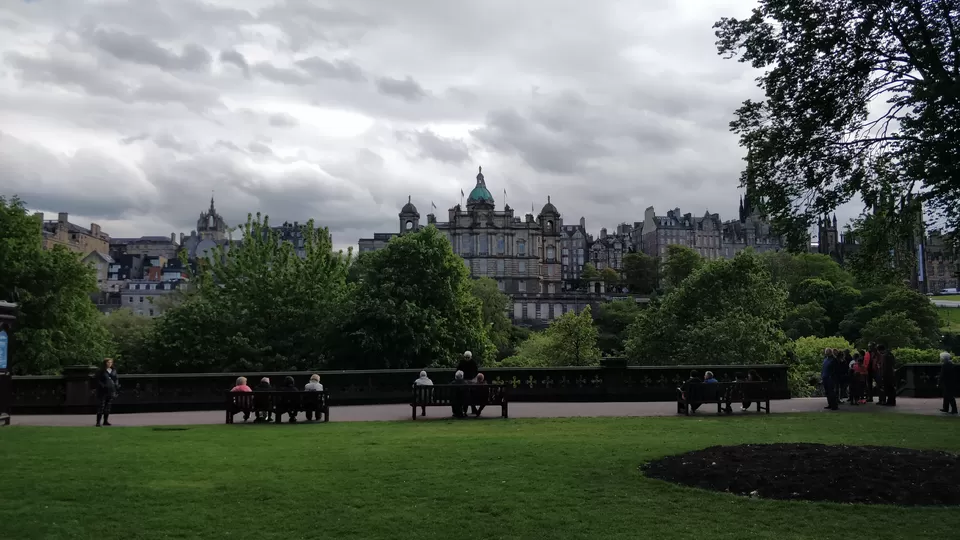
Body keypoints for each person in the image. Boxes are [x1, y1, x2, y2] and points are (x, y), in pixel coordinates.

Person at [95, 358, 119, 427]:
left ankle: (105, 421)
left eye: (111, 362)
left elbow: (116, 378)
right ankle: (98, 422)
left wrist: (116, 385)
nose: (109, 364)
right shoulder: (101, 371)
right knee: (101, 406)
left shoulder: (113, 370)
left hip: (111, 390)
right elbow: (97, 380)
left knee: (108, 406)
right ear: (105, 363)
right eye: (108, 362)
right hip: (102, 391)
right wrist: (103, 385)